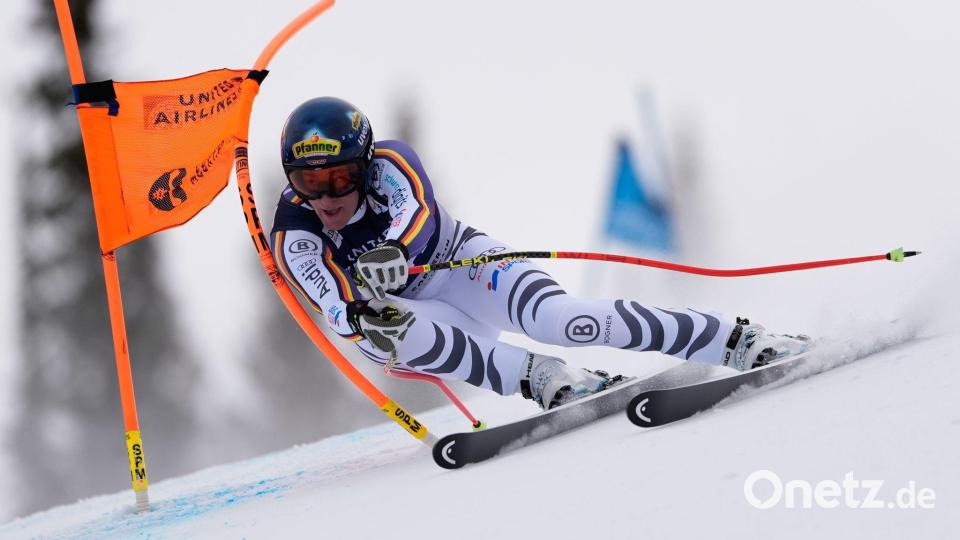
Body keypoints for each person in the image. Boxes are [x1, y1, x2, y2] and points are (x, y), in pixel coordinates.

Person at [270, 97, 808, 410]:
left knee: (563, 318)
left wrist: (397, 249)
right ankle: (545, 378)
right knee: (384, 325)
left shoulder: (392, 163)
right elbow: (330, 301)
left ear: (364, 166)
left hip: (460, 265)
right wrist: (356, 316)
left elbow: (420, 213)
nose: (328, 197)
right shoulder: (295, 229)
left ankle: (737, 339)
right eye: (309, 181)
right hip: (416, 320)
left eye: (341, 177)